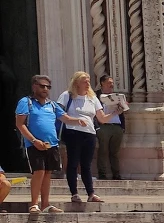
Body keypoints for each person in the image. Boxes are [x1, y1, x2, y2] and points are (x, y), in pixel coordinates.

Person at [57, 72, 109, 205]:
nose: (88, 84)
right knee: (73, 163)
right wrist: (75, 120)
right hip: (73, 132)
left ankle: (91, 193)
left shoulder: (93, 98)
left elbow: (101, 118)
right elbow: (58, 113)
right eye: (85, 81)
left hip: (89, 133)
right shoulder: (67, 96)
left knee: (86, 164)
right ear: (76, 83)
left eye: (88, 81)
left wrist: (116, 112)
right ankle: (74, 193)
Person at [15, 75, 61, 214]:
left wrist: (80, 119)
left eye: (48, 87)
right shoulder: (26, 102)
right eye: (42, 86)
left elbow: (66, 117)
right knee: (38, 171)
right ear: (34, 86)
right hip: (34, 144)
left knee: (47, 173)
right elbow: (19, 124)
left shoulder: (52, 104)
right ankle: (34, 204)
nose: (45, 89)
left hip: (51, 144)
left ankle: (45, 204)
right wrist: (34, 141)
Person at [95, 75, 128, 180]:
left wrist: (122, 126)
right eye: (109, 83)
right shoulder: (96, 97)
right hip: (104, 126)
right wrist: (97, 127)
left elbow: (123, 112)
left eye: (112, 83)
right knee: (103, 151)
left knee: (114, 152)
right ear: (102, 84)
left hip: (116, 126)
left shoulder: (117, 97)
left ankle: (116, 174)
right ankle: (102, 174)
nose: (111, 85)